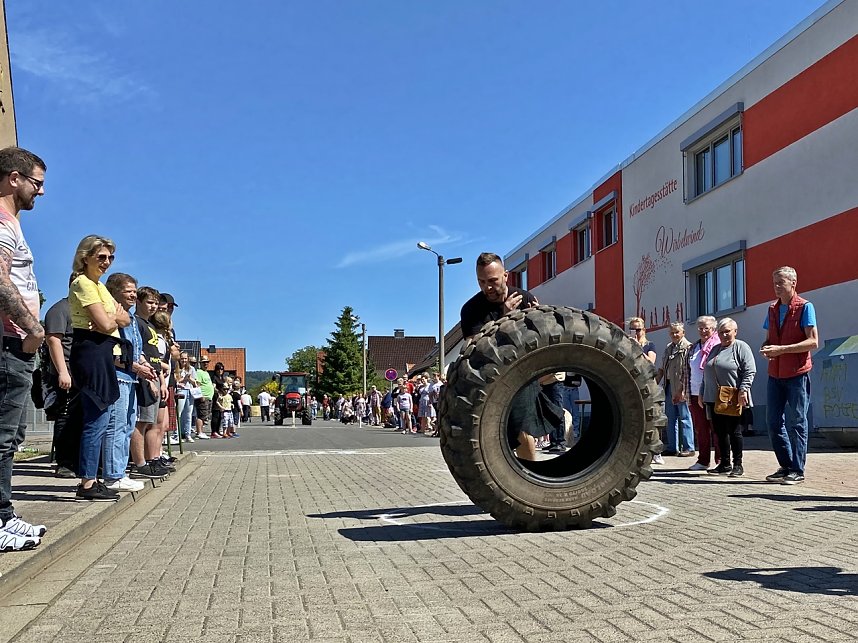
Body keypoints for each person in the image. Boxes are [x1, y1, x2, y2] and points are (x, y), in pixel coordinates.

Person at [0, 147, 48, 548]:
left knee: (11, 436)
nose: (41, 192)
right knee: (2, 436)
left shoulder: (12, 224)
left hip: (17, 344)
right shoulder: (2, 223)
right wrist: (32, 327)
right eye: (37, 182)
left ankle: (4, 513)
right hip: (9, 342)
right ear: (14, 178)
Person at [460, 252, 542, 460]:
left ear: (505, 276)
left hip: (522, 374)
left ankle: (528, 473)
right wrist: (505, 317)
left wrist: (539, 319)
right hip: (488, 379)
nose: (487, 287)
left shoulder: (525, 298)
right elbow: (476, 348)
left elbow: (540, 336)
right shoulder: (471, 309)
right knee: (493, 435)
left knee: (522, 431)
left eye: (492, 281)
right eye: (481, 282)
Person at [68, 235, 130, 501]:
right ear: (85, 258)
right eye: (101, 257)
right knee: (96, 417)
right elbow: (106, 324)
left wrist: (113, 318)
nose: (107, 262)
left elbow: (124, 319)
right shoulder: (82, 283)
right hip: (90, 350)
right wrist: (113, 319)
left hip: (103, 350)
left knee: (103, 417)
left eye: (110, 257)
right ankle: (87, 482)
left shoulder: (100, 286)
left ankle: (91, 477)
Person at [760, 266, 818, 486]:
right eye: (774, 282)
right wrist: (766, 348)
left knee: (798, 421)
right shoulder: (772, 309)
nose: (776, 287)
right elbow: (769, 338)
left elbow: (813, 341)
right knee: (773, 421)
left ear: (793, 283)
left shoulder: (805, 307)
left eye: (780, 282)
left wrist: (781, 350)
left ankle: (797, 470)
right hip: (775, 374)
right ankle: (785, 465)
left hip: (797, 374)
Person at [103, 273, 154, 493]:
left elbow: (136, 349)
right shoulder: (111, 315)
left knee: (127, 426)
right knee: (116, 426)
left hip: (131, 379)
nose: (133, 295)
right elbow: (112, 351)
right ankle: (113, 475)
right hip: (118, 377)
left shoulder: (131, 319)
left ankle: (120, 471)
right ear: (114, 291)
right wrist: (137, 367)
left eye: (134, 291)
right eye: (128, 291)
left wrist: (144, 363)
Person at [701, 318, 756, 477]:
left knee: (734, 431)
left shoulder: (741, 347)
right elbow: (707, 372)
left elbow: (750, 370)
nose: (724, 335)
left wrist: (743, 390)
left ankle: (738, 464)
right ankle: (724, 464)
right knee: (719, 432)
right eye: (721, 332)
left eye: (727, 331)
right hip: (713, 397)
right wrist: (702, 392)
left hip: (732, 397)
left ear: (735, 332)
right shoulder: (715, 349)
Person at [130, 287, 170, 478]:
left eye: (155, 303)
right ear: (138, 302)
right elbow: (138, 352)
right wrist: (148, 378)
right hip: (143, 377)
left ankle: (151, 460)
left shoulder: (150, 325)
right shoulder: (135, 322)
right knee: (141, 422)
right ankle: (140, 463)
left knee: (150, 422)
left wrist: (161, 381)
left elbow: (155, 358)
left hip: (154, 376)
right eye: (149, 302)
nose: (153, 306)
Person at [43, 294, 83, 478]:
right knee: (66, 417)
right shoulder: (60, 309)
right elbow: (53, 340)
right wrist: (62, 372)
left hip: (83, 374)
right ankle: (64, 462)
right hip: (66, 372)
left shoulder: (84, 311)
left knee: (79, 418)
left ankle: (77, 460)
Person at [687, 316, 721, 471]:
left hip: (712, 392)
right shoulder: (694, 347)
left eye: (706, 328)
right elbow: (687, 370)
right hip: (694, 392)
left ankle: (721, 460)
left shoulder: (717, 345)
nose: (703, 331)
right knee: (701, 428)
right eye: (700, 328)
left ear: (713, 329)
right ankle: (703, 460)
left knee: (717, 428)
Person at [658, 322, 695, 458]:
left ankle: (689, 447)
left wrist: (682, 390)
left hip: (681, 387)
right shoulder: (669, 348)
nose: (674, 335)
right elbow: (662, 368)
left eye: (677, 332)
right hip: (668, 386)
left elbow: (688, 371)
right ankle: (672, 447)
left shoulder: (688, 348)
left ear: (683, 333)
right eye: (672, 332)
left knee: (685, 417)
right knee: (670, 418)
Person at [628, 317, 660, 461]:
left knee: (651, 417)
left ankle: (656, 451)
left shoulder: (649, 345)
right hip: (633, 384)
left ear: (644, 330)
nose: (635, 332)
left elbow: (651, 363)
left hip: (646, 383)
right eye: (632, 329)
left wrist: (638, 348)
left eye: (638, 329)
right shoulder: (627, 345)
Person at [175, 352, 198, 442]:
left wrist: (190, 379)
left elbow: (195, 382)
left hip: (190, 391)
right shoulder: (177, 369)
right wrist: (184, 379)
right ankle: (176, 435)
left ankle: (188, 434)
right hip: (181, 391)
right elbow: (176, 381)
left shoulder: (191, 369)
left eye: (185, 358)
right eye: (182, 358)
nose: (184, 360)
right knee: (179, 413)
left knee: (188, 414)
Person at [194, 355, 214, 438]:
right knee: (201, 415)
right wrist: (200, 395)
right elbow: (197, 384)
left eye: (207, 362)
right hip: (203, 397)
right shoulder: (199, 372)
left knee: (205, 415)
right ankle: (199, 432)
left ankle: (200, 431)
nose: (206, 364)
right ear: (200, 363)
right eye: (204, 362)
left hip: (208, 397)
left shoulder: (206, 373)